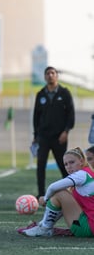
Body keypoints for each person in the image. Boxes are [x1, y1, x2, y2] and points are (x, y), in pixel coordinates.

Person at [21, 147, 94, 237]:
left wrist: (45, 198)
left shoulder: (81, 175)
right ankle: (44, 225)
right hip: (88, 225)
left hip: (88, 228)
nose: (69, 167)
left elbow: (53, 187)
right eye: (66, 164)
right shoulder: (88, 174)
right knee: (62, 195)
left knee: (60, 193)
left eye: (72, 162)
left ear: (81, 161)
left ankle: (45, 228)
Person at [32, 66, 75, 199]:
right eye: (48, 73)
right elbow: (36, 116)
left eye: (52, 73)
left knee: (64, 166)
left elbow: (71, 114)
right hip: (43, 137)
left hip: (59, 137)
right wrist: (35, 135)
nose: (50, 75)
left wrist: (66, 131)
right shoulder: (40, 94)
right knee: (40, 166)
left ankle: (72, 192)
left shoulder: (64, 93)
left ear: (56, 76)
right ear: (45, 77)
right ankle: (41, 194)